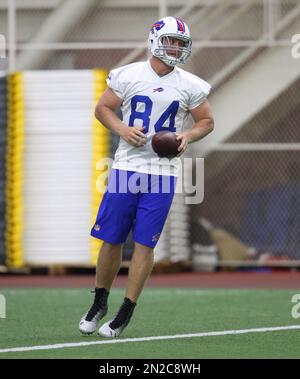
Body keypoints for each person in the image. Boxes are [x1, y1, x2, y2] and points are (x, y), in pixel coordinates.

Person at [79, 16, 214, 338]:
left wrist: (187, 137)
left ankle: (126, 309)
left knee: (144, 242)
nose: (176, 47)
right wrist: (122, 129)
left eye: (181, 43)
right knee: (111, 237)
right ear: (155, 40)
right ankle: (100, 301)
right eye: (171, 41)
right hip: (127, 168)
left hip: (163, 172)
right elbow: (103, 108)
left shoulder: (190, 84)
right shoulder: (128, 74)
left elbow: (206, 121)